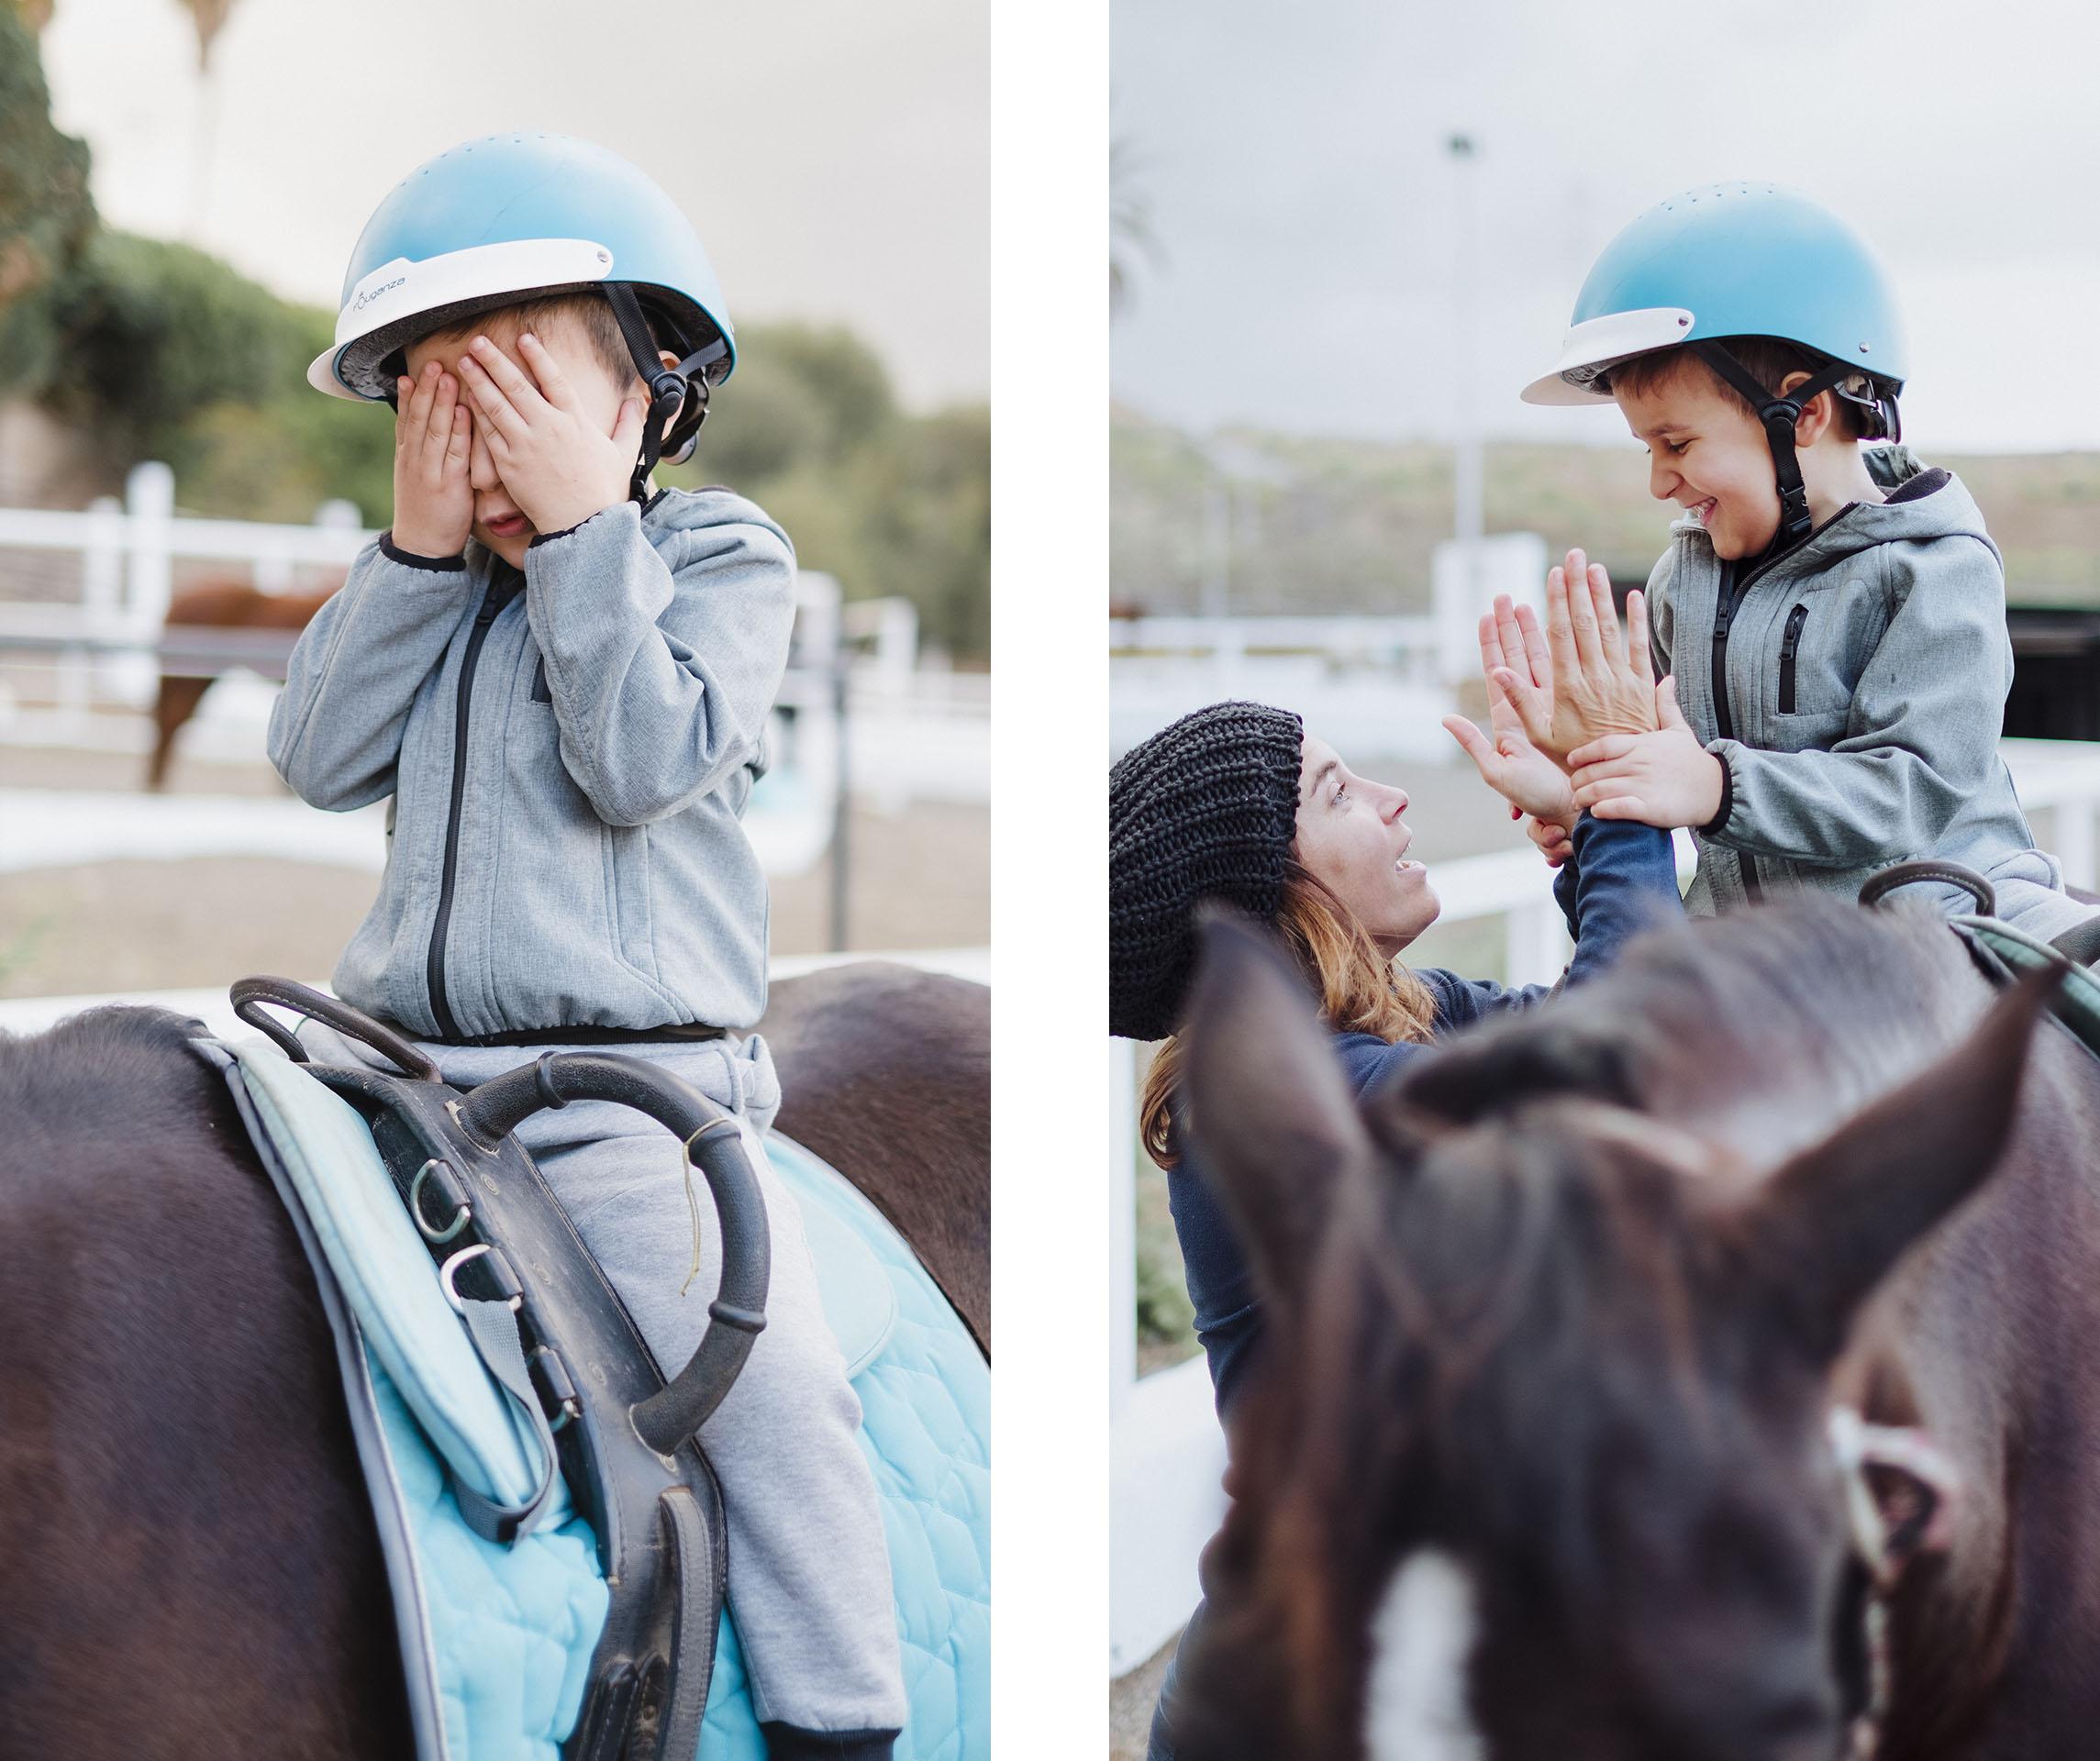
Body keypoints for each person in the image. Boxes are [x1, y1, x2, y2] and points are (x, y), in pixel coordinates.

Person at [271, 133, 904, 1758]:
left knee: (766, 1390)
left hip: (615, 1094)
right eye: (435, 398)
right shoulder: (423, 592)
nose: (479, 440)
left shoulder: (713, 560)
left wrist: (575, 545)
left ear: (648, 399)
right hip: (390, 1072)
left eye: (521, 393)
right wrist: (415, 556)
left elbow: (641, 756)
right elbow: (318, 755)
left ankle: (846, 1714)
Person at [1112, 593, 1683, 1758]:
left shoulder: (1402, 1026)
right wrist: (1622, 812)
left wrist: (1583, 841)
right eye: (1338, 794)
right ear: (1276, 909)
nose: (1394, 798)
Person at [1517, 181, 2100, 945]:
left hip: (1952, 928)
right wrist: (1595, 803)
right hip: (1763, 956)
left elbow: (1912, 792)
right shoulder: (1675, 588)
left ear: (1802, 415)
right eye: (1646, 448)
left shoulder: (1935, 571)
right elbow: (1671, 798)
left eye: (1677, 443)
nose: (1657, 480)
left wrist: (1713, 785)